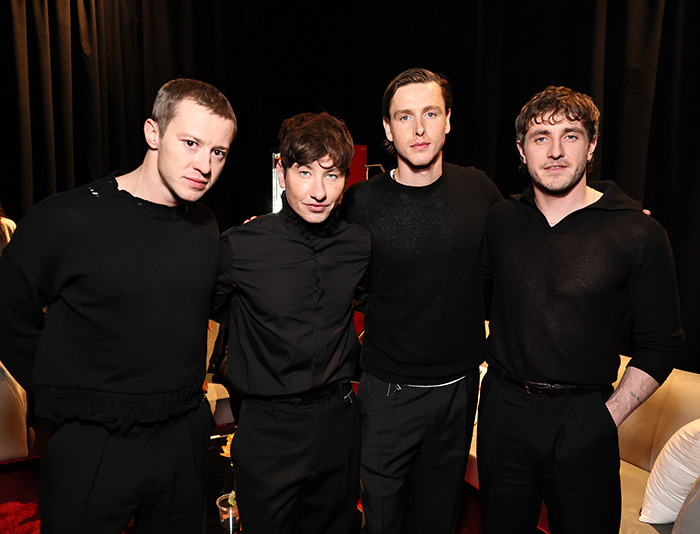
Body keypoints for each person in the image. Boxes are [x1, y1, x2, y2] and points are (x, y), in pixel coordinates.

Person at [0, 78, 237, 534]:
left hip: (183, 438)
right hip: (94, 442)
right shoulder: (66, 218)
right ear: (153, 132)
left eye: (218, 152)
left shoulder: (205, 225)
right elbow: (8, 312)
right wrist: (67, 398)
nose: (204, 165)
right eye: (191, 143)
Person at [477, 85, 685, 533]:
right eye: (541, 138)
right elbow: (457, 290)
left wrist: (606, 417)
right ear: (522, 150)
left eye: (570, 136)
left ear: (591, 147)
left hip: (584, 417)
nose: (555, 151)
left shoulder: (638, 233)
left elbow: (662, 344)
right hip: (502, 413)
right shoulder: (501, 220)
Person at [340, 68, 503, 534]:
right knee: (382, 521)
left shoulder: (478, 189)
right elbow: (323, 261)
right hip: (387, 393)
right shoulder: (361, 201)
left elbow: (535, 230)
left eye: (430, 114)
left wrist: (606, 213)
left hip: (458, 390)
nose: (418, 129)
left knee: (439, 517)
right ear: (387, 128)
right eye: (404, 116)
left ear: (448, 120)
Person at [212, 111, 371, 534]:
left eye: (332, 175)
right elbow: (207, 310)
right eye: (305, 172)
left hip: (338, 423)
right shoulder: (240, 247)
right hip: (269, 429)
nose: (319, 191)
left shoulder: (358, 244)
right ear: (281, 172)